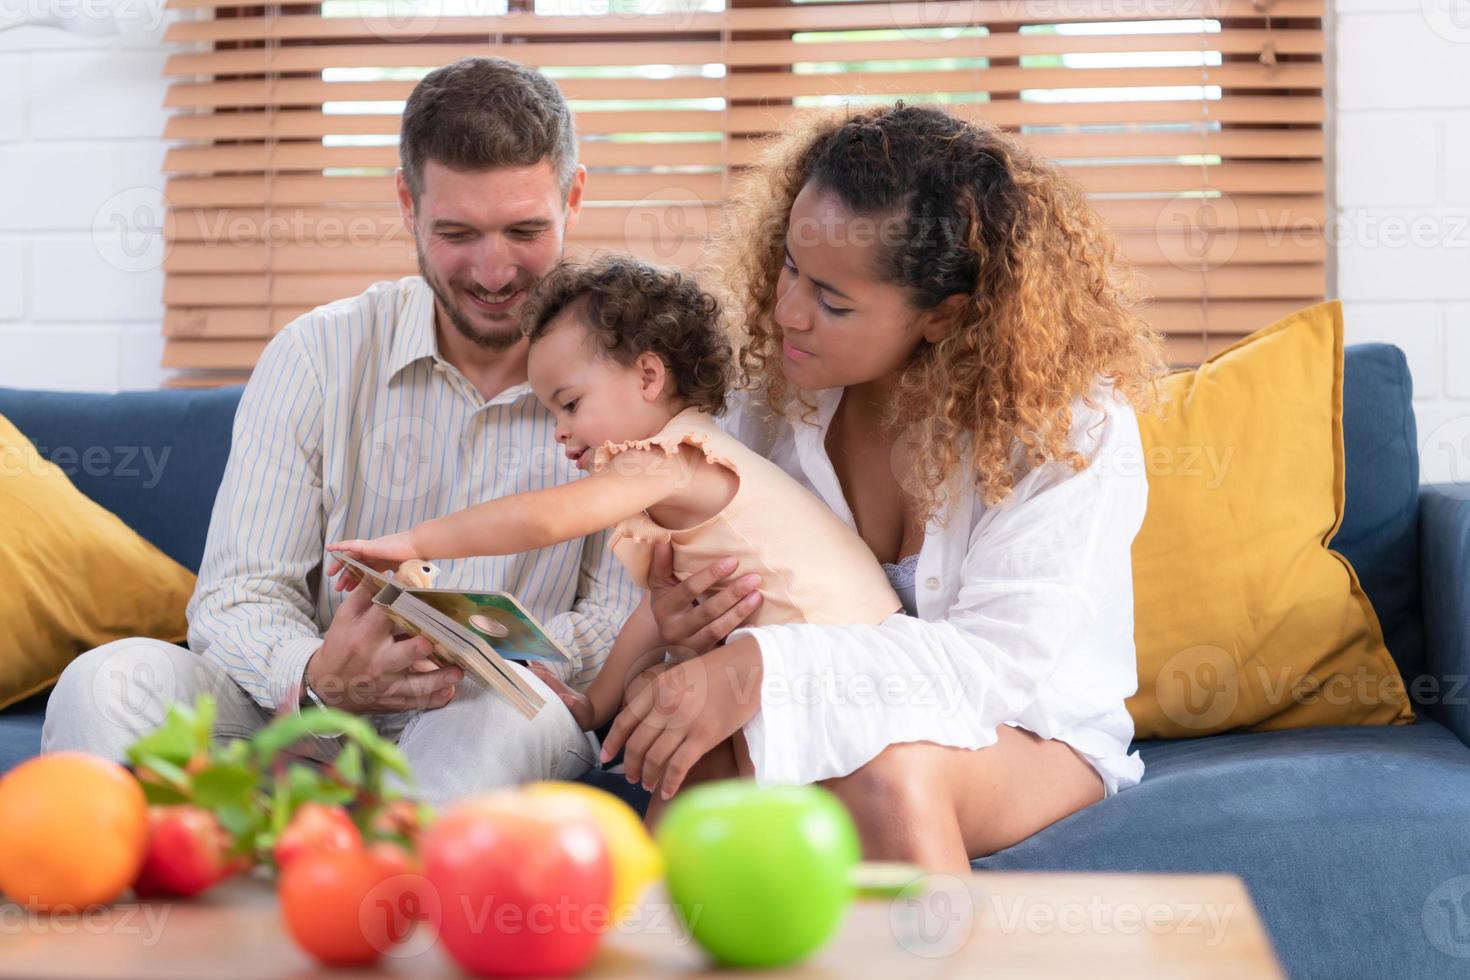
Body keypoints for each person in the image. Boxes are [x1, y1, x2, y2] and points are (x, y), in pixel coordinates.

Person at [41, 57, 642, 805]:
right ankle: (119, 915)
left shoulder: (632, 372)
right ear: (406, 202)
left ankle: (379, 904)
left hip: (504, 710)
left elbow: (628, 613)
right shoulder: (316, 355)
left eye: (524, 230)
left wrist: (495, 661)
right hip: (309, 712)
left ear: (573, 196)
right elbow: (237, 596)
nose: (494, 272)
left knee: (492, 717)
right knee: (105, 682)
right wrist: (320, 676)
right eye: (457, 232)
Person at [601, 102, 1168, 871]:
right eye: (790, 267)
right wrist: (686, 623)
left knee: (886, 775)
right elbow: (723, 580)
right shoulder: (769, 388)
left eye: (834, 302)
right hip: (811, 699)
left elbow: (993, 670)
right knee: (700, 769)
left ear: (943, 315)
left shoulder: (1068, 425)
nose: (788, 312)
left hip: (1024, 727)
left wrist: (761, 671)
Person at [328, 254, 902, 816]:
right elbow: (653, 613)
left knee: (681, 725)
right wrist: (594, 703)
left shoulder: (673, 458)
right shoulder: (669, 490)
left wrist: (417, 543)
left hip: (839, 667)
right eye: (552, 412)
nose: (560, 431)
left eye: (571, 404)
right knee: (676, 731)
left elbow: (545, 519)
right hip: (799, 670)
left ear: (649, 376)